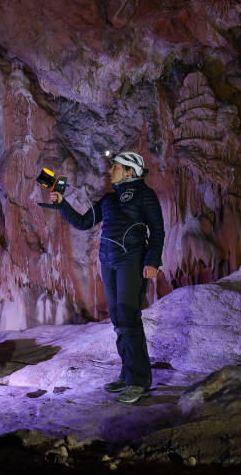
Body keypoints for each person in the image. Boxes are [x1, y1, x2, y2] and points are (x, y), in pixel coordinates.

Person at [50, 151, 164, 404]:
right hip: (108, 263)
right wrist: (61, 203)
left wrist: (152, 262)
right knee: (119, 321)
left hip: (132, 262)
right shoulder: (109, 199)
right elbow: (83, 222)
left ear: (130, 171)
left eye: (116, 167)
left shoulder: (146, 195)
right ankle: (127, 374)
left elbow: (157, 229)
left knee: (128, 319)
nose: (110, 170)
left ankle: (138, 382)